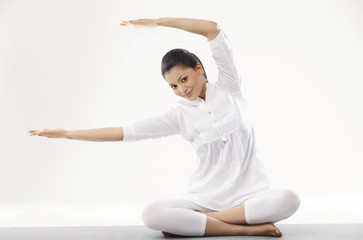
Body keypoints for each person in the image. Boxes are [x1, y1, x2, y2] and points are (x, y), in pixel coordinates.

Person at [28, 17, 300, 238]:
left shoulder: (230, 87)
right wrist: (67, 134)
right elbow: (124, 132)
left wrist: (158, 23)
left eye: (184, 79)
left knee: (289, 199)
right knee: (152, 213)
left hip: (250, 197)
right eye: (174, 86)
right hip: (202, 199)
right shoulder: (178, 116)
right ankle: (240, 229)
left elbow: (212, 29)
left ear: (199, 68)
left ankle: (201, 224)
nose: (182, 89)